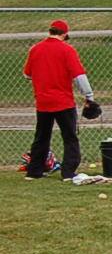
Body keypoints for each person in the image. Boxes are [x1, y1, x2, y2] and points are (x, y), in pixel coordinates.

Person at [22, 19, 99, 181]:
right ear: (64, 34)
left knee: (41, 137)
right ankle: (68, 172)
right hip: (63, 101)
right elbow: (79, 76)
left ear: (50, 31)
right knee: (70, 137)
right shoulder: (67, 50)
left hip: (43, 102)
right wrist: (89, 96)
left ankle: (34, 171)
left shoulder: (35, 49)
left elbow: (27, 75)